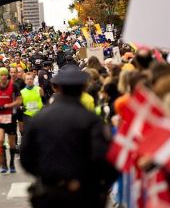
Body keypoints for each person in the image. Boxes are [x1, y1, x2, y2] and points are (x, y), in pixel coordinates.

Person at [20, 65, 117, 208]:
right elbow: (105, 158)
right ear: (84, 87)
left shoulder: (39, 118)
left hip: (51, 191)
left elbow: (26, 157)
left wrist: (47, 176)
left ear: (56, 88)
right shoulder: (91, 120)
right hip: (84, 192)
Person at [0, 68, 22, 174]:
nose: (3, 77)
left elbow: (19, 100)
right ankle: (4, 164)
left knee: (12, 143)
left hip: (11, 116)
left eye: (5, 75)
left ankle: (12, 164)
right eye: (1, 75)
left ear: (7, 76)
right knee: (0, 140)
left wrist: (7, 106)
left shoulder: (14, 86)